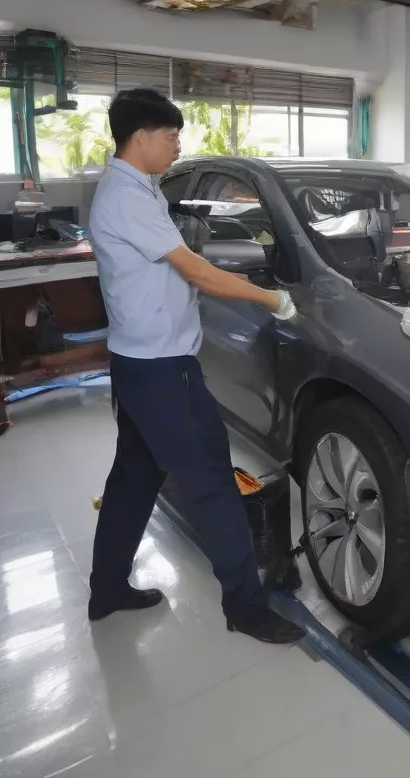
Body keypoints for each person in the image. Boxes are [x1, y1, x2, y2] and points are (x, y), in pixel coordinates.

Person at [87, 87, 305, 644]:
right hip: (162, 370)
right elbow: (200, 274)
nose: (176, 145)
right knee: (211, 482)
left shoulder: (136, 190)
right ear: (140, 136)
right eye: (170, 135)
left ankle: (107, 588)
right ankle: (246, 607)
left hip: (138, 362)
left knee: (135, 476)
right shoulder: (128, 197)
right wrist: (271, 298)